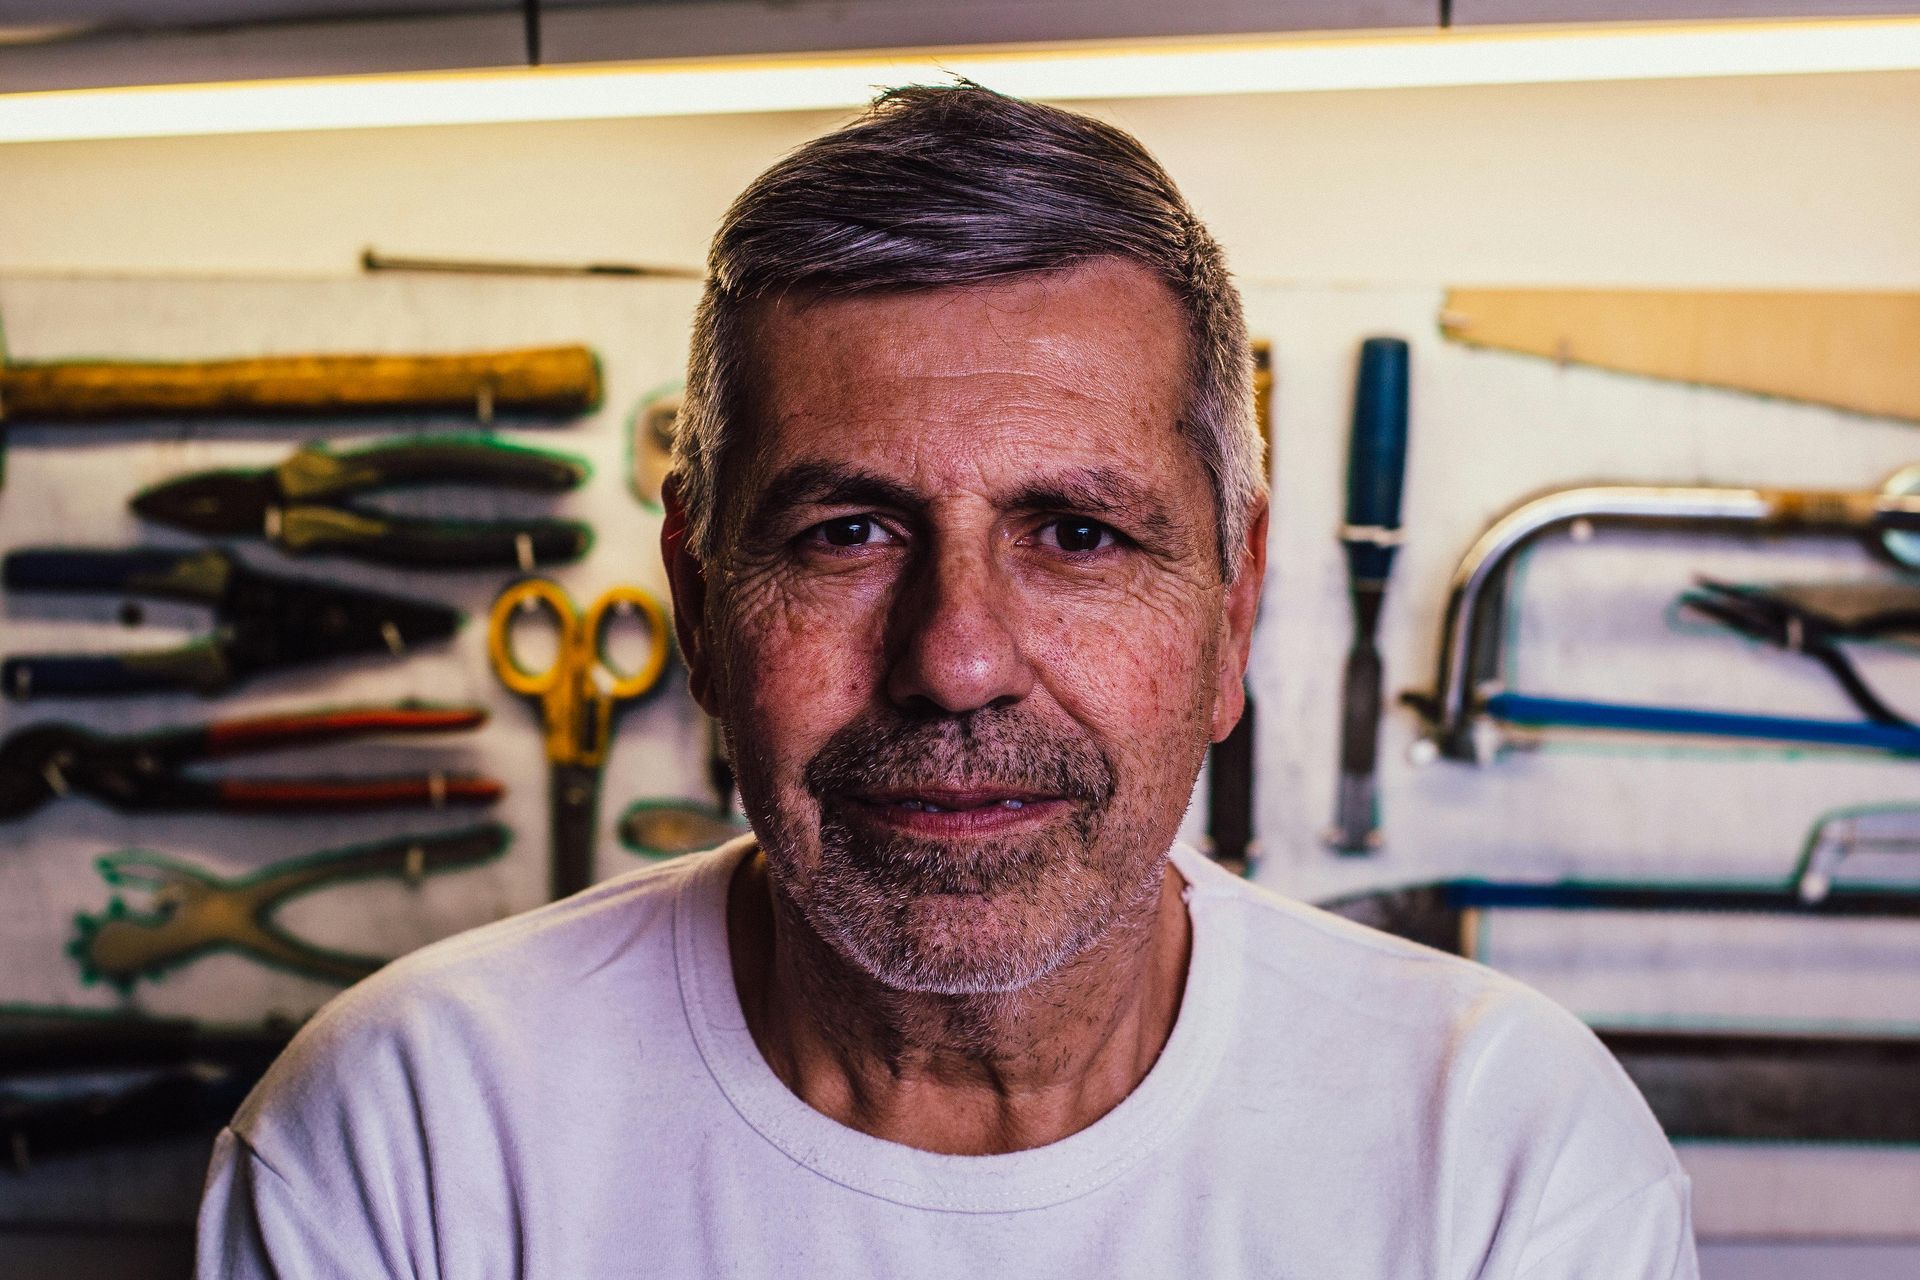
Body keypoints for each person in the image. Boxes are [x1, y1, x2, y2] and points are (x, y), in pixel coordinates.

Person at [197, 83, 1697, 1279]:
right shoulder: (404, 1141)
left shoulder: (1504, 1158)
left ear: (1233, 609)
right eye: (848, 531)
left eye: (1077, 533)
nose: (956, 661)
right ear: (702, 604)